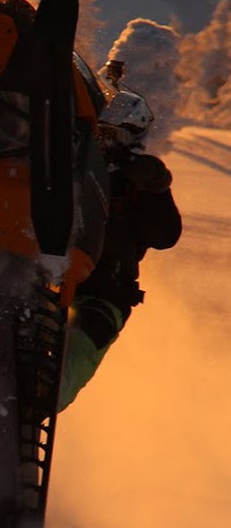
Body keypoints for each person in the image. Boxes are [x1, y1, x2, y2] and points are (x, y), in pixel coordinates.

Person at [58, 81, 183, 410]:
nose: (107, 144)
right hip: (49, 280)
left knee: (63, 373)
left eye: (118, 137)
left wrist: (156, 189)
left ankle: (35, 402)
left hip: (103, 296)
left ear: (136, 139)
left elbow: (165, 236)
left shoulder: (138, 183)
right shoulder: (69, 165)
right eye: (102, 133)